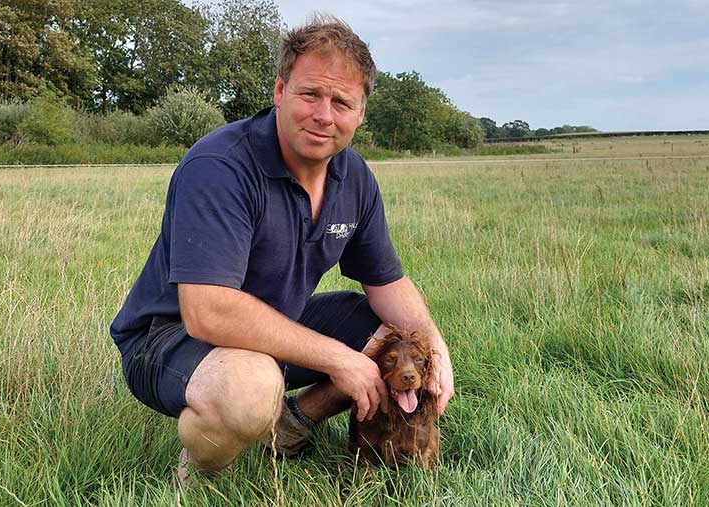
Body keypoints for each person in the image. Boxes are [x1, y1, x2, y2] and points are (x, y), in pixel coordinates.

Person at [108, 15, 454, 480]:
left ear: (360, 113)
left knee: (392, 333)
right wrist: (340, 358)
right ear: (279, 92)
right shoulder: (221, 167)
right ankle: (201, 475)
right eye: (310, 94)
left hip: (274, 325)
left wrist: (433, 345)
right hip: (169, 338)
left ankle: (293, 423)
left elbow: (387, 281)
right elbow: (207, 312)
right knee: (250, 387)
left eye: (341, 101)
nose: (324, 115)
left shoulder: (354, 178)